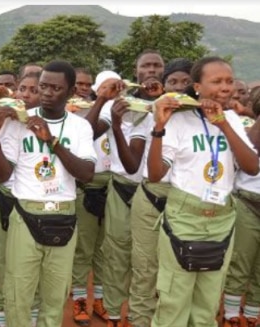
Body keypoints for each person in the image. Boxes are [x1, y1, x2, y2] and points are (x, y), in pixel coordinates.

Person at [148, 56, 259, 327]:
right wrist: (159, 128)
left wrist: (222, 124)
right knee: (174, 301)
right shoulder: (179, 120)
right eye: (217, 81)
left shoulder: (231, 119)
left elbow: (252, 166)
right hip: (185, 216)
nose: (225, 87)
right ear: (197, 86)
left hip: (222, 218)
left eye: (229, 81)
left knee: (207, 305)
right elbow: (155, 174)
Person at [0, 60, 96, 326]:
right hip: (26, 213)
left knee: (55, 296)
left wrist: (52, 141)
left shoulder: (80, 126)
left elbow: (86, 173)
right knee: (19, 294)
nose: (47, 92)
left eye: (56, 88)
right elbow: (2, 175)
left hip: (64, 214)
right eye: (43, 86)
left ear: (71, 92)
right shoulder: (19, 122)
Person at [85, 49, 165, 326]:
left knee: (151, 258)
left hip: (158, 192)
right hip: (122, 186)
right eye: (146, 66)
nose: (152, 70)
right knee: (117, 252)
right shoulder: (121, 102)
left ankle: (143, 312)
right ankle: (115, 312)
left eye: (157, 65)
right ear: (137, 70)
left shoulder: (176, 106)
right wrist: (106, 102)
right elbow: (90, 132)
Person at [127, 57, 193, 327]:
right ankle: (140, 320)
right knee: (144, 268)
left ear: (196, 86)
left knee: (178, 270)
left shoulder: (204, 120)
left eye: (185, 82)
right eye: (172, 82)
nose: (178, 88)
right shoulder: (151, 112)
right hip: (151, 196)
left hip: (185, 202)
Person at [0, 72, 41, 327]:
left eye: (34, 90)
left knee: (33, 266)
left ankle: (31, 316)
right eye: (22, 89)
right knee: (0, 260)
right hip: (5, 198)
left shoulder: (47, 126)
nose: (25, 94)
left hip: (34, 206)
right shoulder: (5, 122)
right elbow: (1, 173)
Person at [69, 70, 115, 325]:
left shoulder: (116, 109)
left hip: (111, 183)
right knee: (83, 248)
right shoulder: (72, 113)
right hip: (86, 184)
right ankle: (78, 298)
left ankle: (99, 298)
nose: (84, 88)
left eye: (89, 85)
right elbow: (89, 132)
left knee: (104, 249)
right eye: (81, 84)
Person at [221, 84, 260, 327]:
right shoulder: (249, 127)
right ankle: (231, 314)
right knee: (240, 261)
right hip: (249, 200)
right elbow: (252, 151)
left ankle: (253, 311)